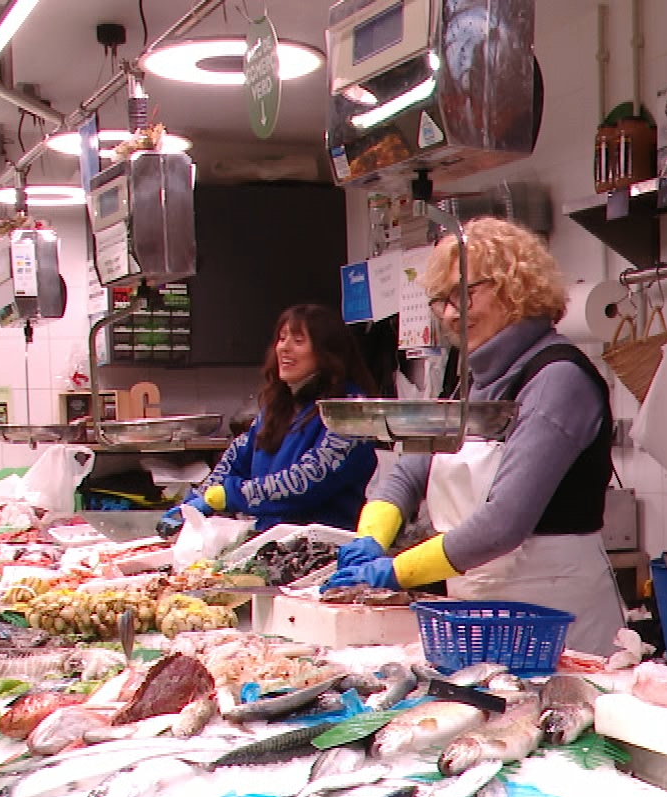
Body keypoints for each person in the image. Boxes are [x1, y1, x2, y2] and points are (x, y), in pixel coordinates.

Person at [324, 217, 624, 656]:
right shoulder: (469, 379)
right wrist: (370, 538)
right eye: (441, 301)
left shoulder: (557, 378)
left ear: (515, 288)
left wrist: (395, 571)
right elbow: (409, 472)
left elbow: (503, 524)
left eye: (463, 295)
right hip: (477, 606)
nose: (449, 314)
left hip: (557, 618)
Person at [157, 304, 379, 536]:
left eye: (298, 341)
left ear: (327, 352)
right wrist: (198, 499)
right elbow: (236, 459)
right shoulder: (278, 406)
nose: (284, 348)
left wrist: (229, 496)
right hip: (269, 540)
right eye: (281, 339)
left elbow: (306, 481)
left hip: (326, 548)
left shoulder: (352, 411)